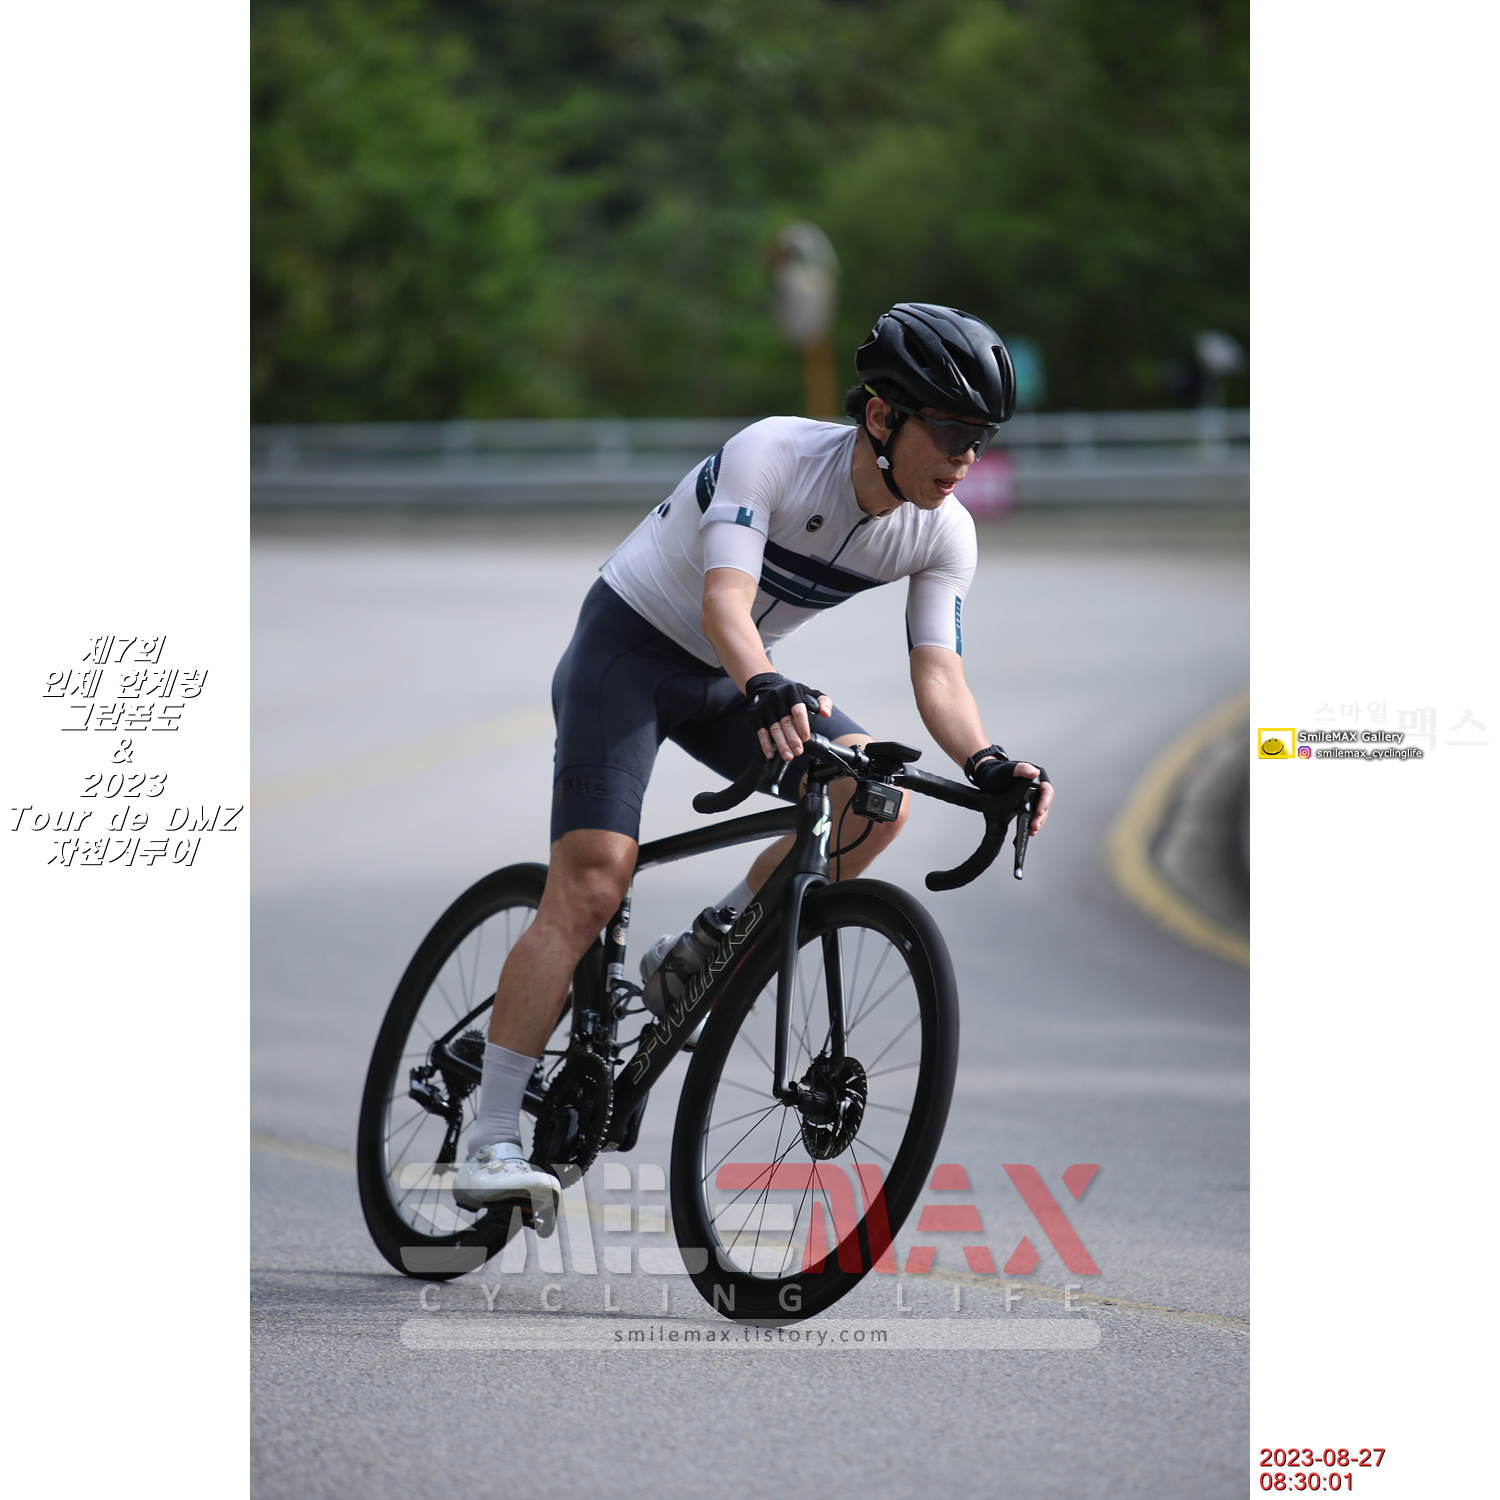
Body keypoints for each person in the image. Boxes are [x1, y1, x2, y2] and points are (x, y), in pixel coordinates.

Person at [453, 303, 1054, 1212]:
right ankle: (492, 1139)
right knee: (592, 882)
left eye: (982, 438)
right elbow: (723, 604)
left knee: (875, 798)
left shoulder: (943, 530)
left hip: (740, 672)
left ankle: (704, 945)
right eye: (951, 431)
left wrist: (988, 763)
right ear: (882, 415)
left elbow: (939, 674)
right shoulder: (772, 452)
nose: (966, 456)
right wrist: (766, 682)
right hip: (632, 651)